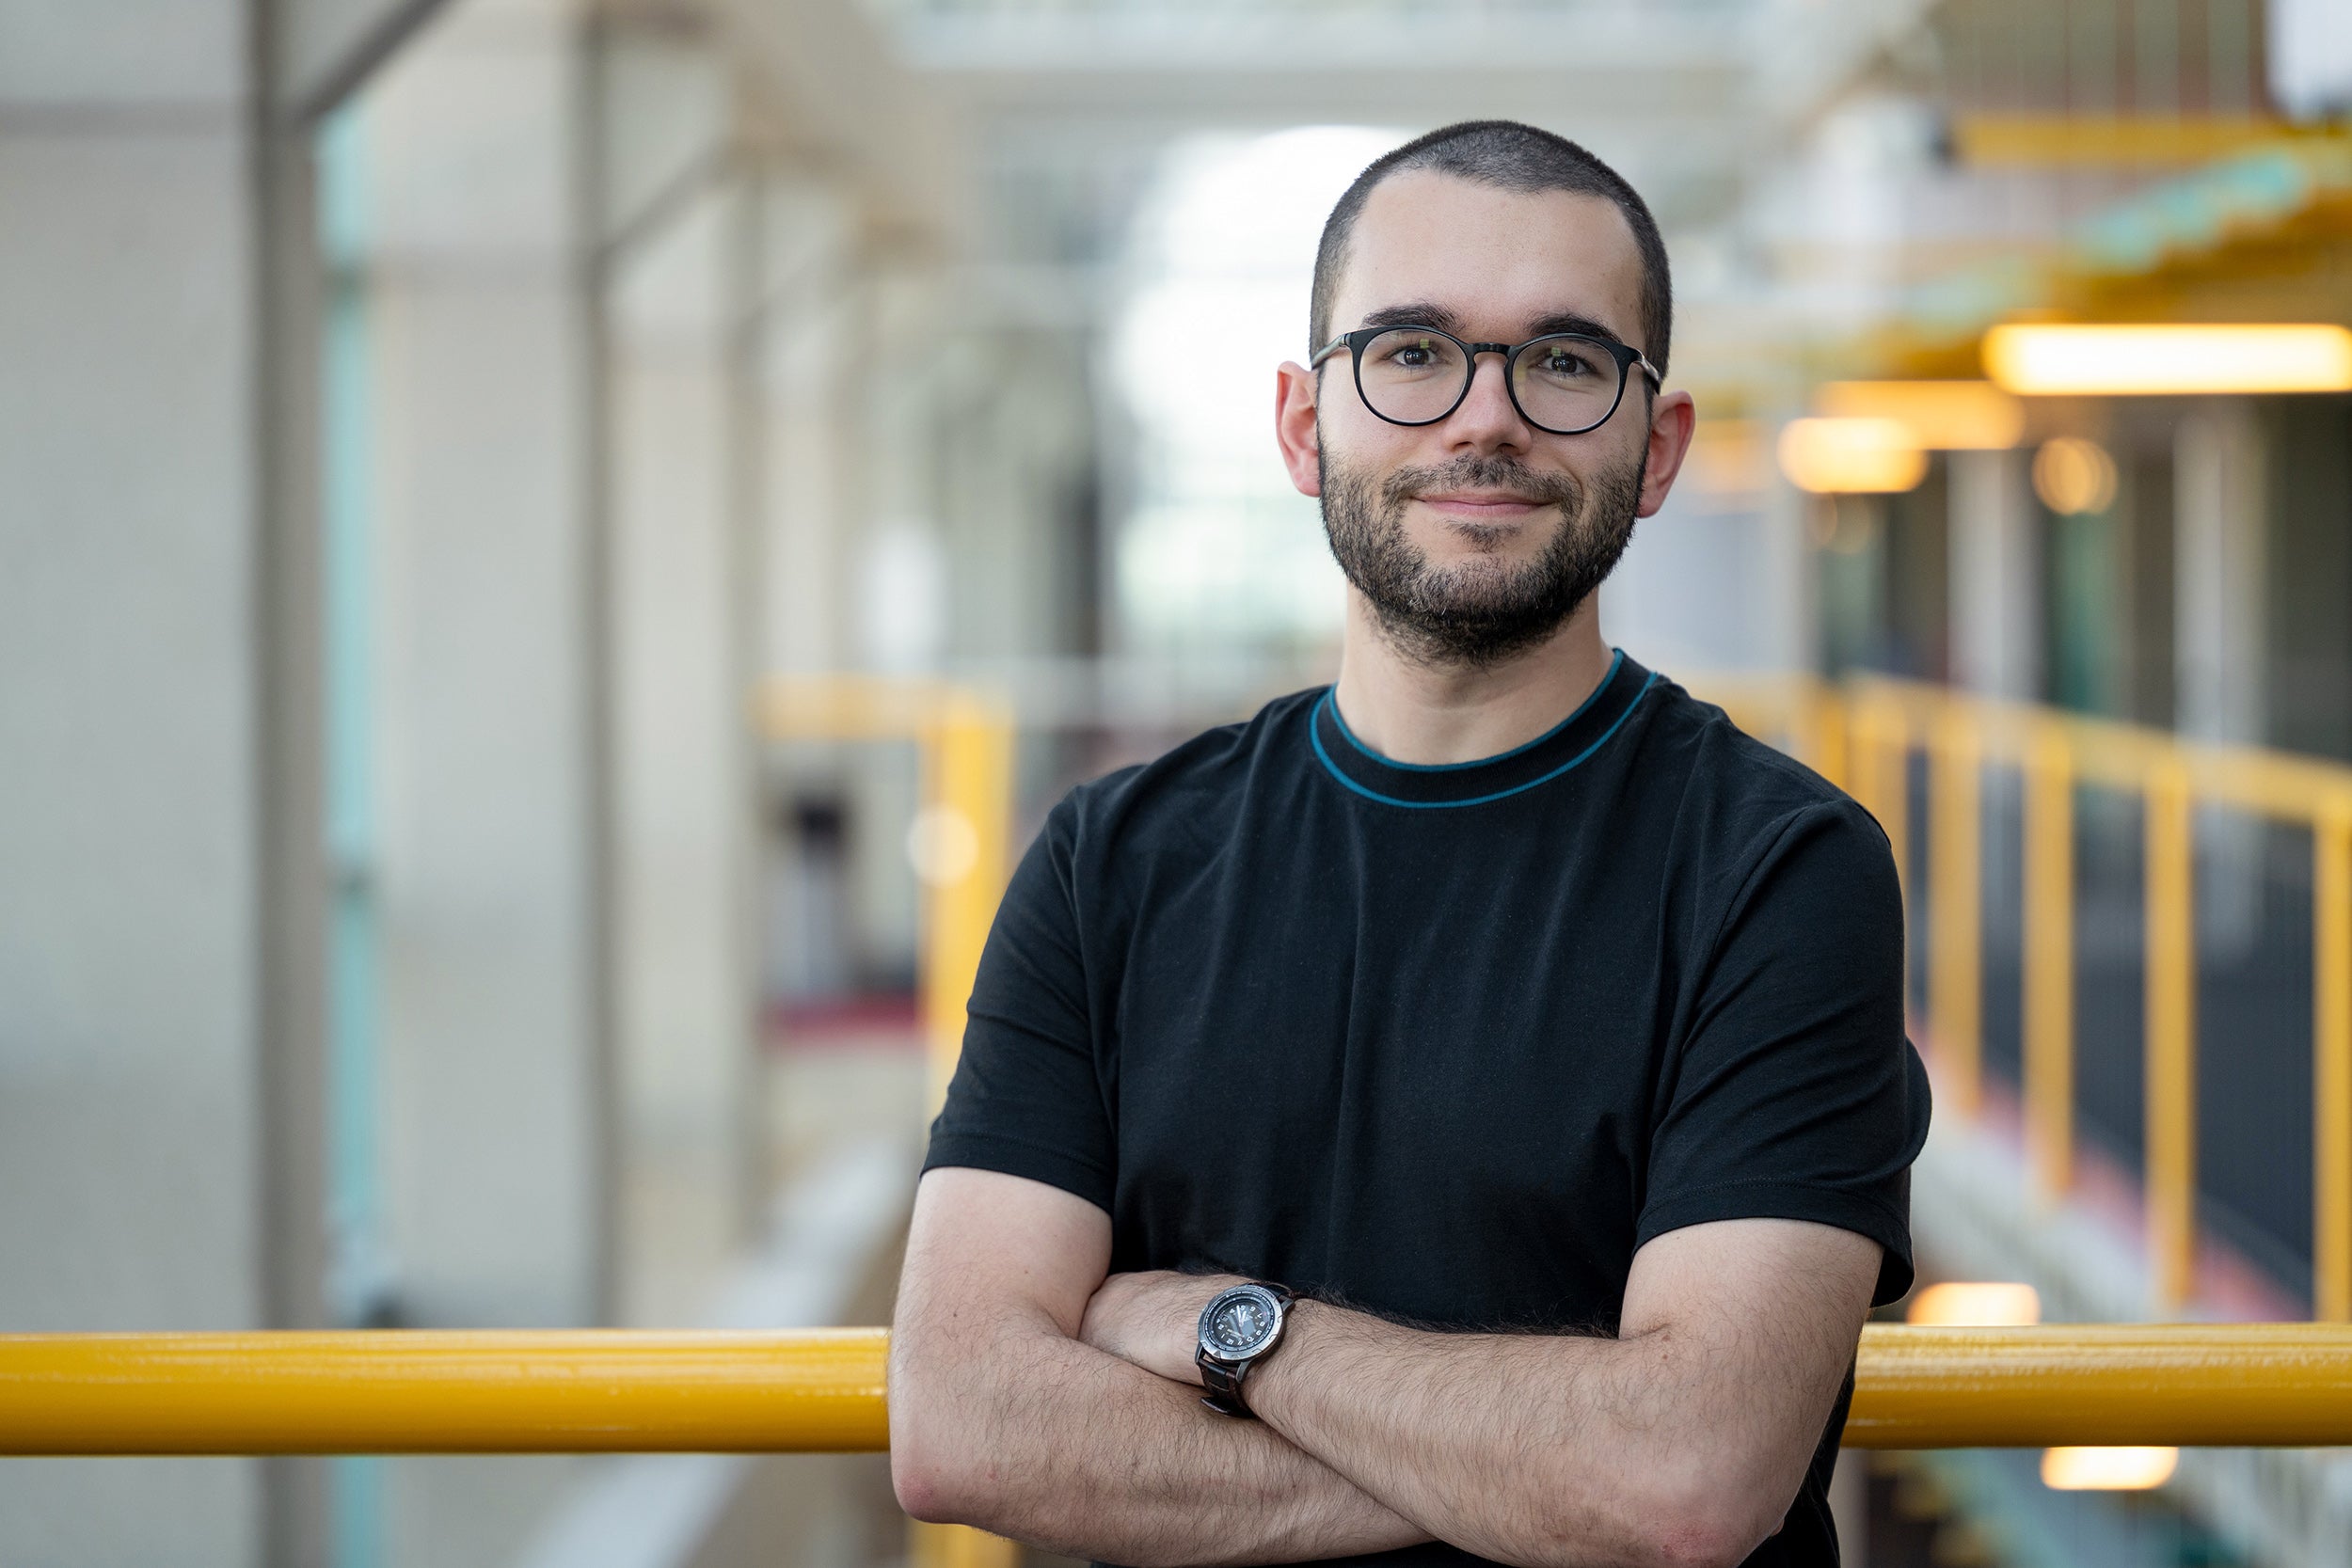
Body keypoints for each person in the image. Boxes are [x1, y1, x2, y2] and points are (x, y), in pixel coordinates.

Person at [887, 119, 1931, 1568]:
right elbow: (963, 1424)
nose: (1483, 419)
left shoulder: (1783, 870)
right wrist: (1538, 1471)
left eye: (1564, 361)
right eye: (1412, 352)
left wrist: (1217, 1331)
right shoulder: (1106, 864)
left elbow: (1686, 1480)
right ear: (1306, 426)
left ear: (1658, 446)